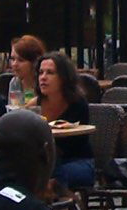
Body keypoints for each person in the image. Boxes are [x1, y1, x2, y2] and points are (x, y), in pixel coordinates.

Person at [35, 50, 95, 196]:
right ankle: (65, 204)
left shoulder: (78, 104)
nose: (43, 77)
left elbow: (77, 142)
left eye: (50, 73)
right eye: (41, 72)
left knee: (46, 171)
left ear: (63, 77)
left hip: (78, 163)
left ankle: (62, 206)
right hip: (49, 164)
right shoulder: (36, 105)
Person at [0, 35, 46, 110]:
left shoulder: (44, 82)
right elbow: (13, 112)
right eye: (12, 59)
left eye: (21, 60)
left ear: (34, 62)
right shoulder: (15, 82)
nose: (14, 64)